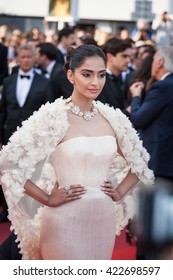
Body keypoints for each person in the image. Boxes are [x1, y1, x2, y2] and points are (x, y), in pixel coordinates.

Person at [0, 44, 154, 260]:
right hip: (63, 221)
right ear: (71, 75)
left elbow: (139, 163)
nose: (95, 82)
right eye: (87, 74)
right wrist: (46, 198)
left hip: (102, 222)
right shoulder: (53, 117)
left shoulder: (113, 119)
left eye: (101, 75)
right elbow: (7, 164)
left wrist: (119, 192)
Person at [130, 46, 173, 258]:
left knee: (152, 226)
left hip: (159, 165)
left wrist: (136, 97)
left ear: (159, 62)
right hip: (167, 164)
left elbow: (138, 119)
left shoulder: (163, 88)